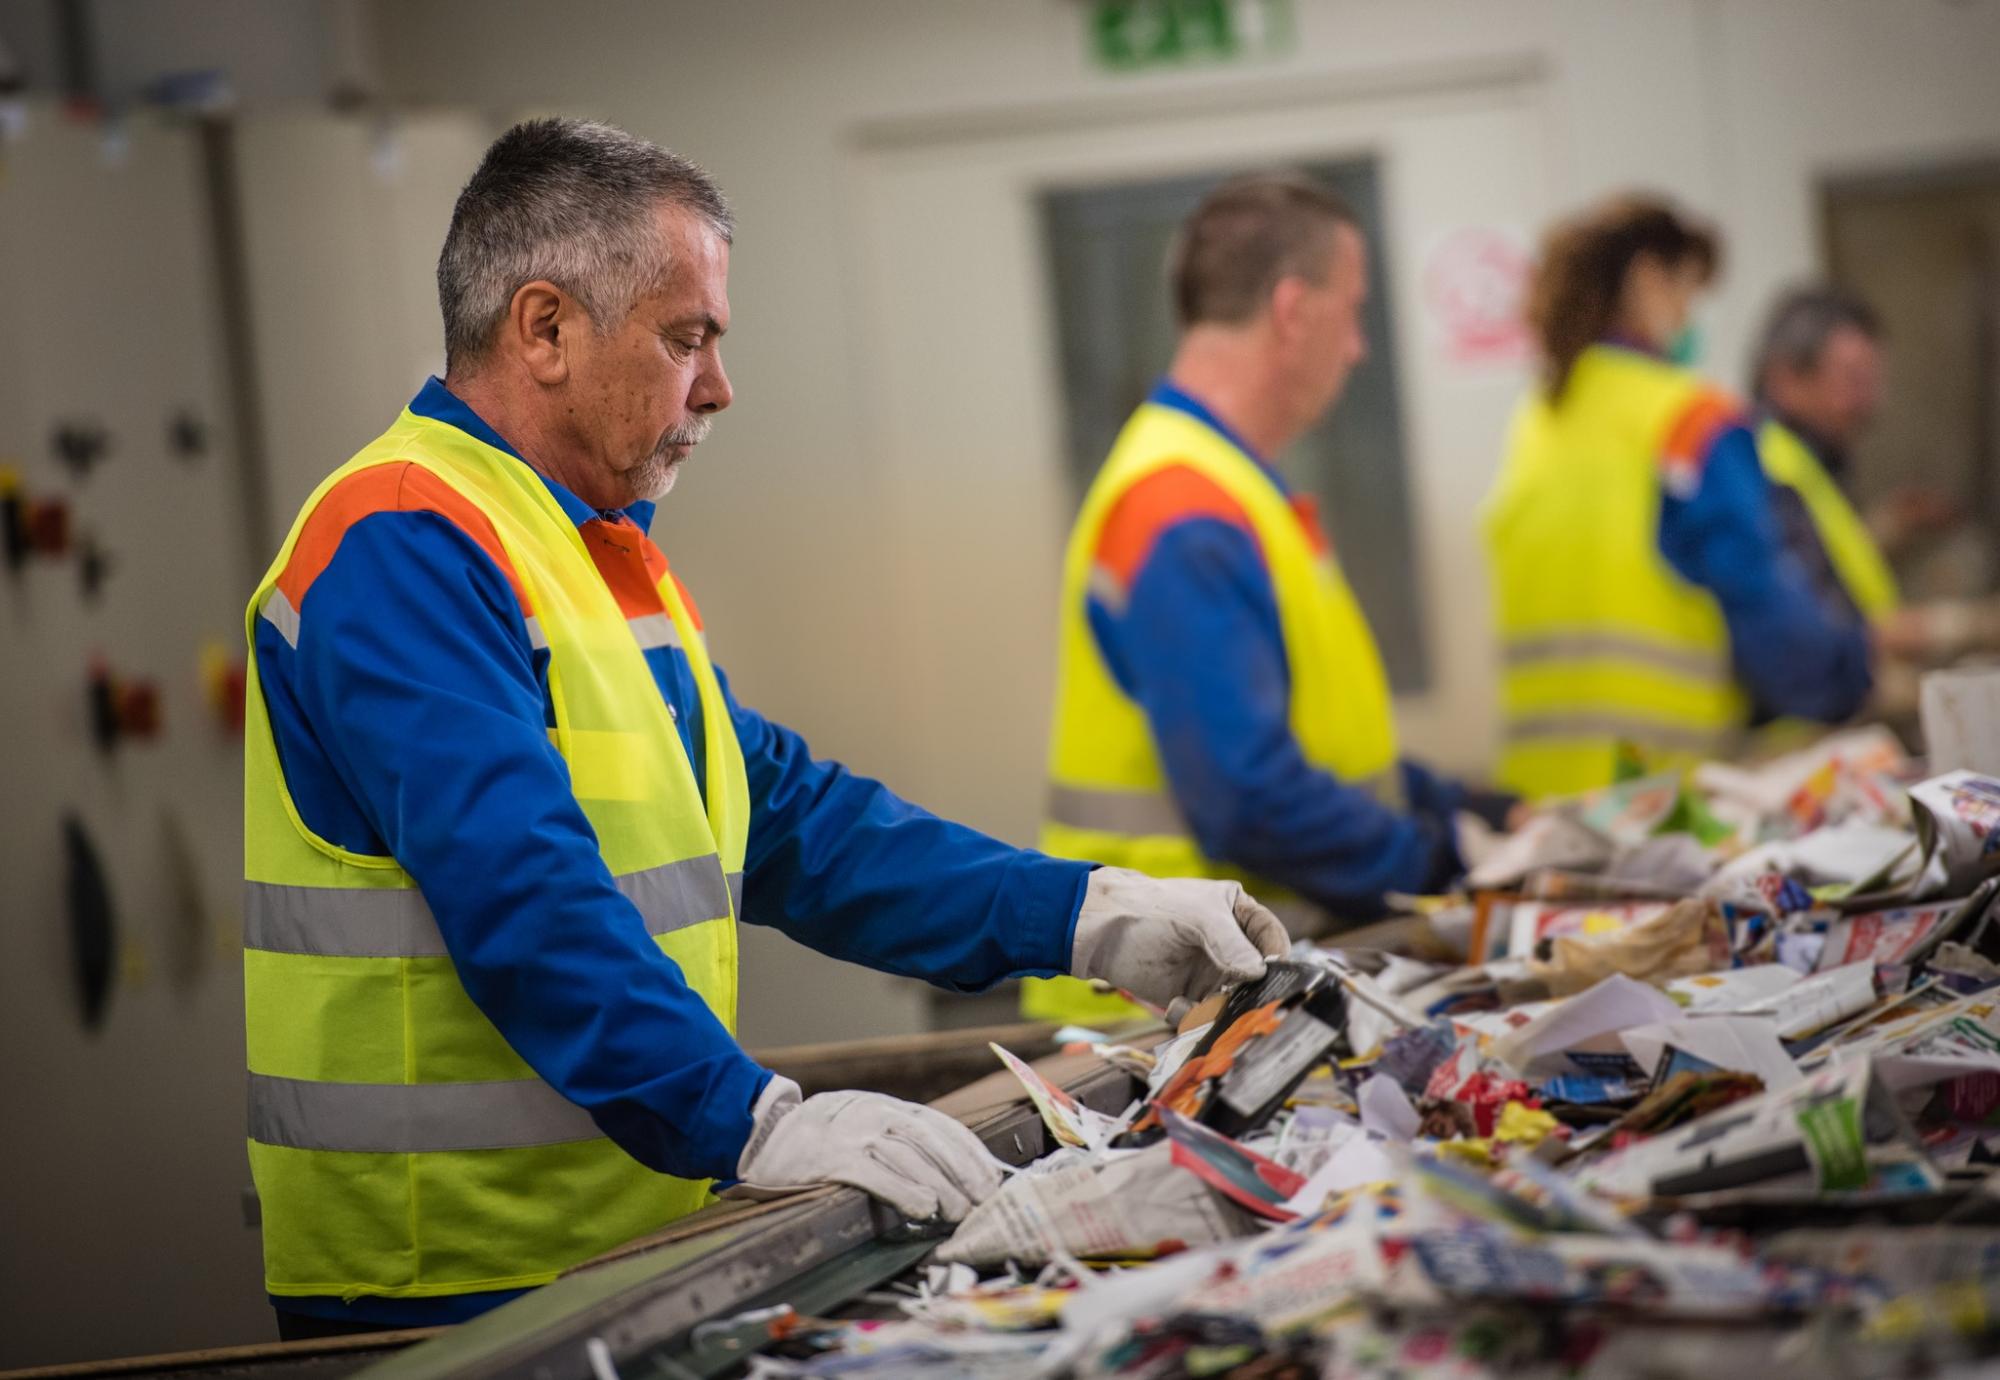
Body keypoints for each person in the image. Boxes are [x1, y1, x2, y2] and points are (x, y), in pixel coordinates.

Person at [242, 119, 1289, 1339]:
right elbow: (517, 889)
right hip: (451, 1283)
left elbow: (789, 820)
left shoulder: (592, 547)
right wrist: (749, 1118)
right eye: (685, 339)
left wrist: (1082, 913)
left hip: (624, 1243)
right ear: (543, 329)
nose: (718, 387)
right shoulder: (401, 542)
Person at [1030, 173, 1504, 1026]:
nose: (1358, 347)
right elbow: (1251, 799)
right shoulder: (1183, 506)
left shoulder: (1223, 487)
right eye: (1351, 311)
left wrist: (1460, 806)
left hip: (1210, 992)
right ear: (1293, 311)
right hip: (1162, 1014)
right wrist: (1441, 861)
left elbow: (1318, 742)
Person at [1482, 196, 1872, 801]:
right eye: (1688, 290)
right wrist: (1855, 671)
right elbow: (1774, 621)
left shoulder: (1537, 422)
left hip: (1543, 809)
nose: (1691, 315)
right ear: (1646, 280)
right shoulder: (1689, 420)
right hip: (1667, 806)